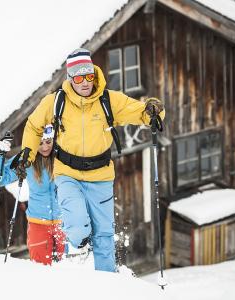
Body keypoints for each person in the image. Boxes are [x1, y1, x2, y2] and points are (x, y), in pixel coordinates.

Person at [16, 48, 165, 272]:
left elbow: (140, 112)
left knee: (104, 235)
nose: (85, 82)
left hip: (101, 175)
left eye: (88, 76)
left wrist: (154, 110)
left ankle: (106, 283)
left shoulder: (108, 100)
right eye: (78, 77)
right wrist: (28, 150)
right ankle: (78, 253)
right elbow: (33, 125)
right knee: (77, 229)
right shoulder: (56, 102)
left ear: (94, 75)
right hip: (68, 173)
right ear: (70, 78)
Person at [0, 125, 65, 265]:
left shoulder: (64, 156)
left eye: (48, 142)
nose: (45, 147)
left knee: (70, 270)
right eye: (40, 143)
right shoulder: (26, 159)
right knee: (40, 270)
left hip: (65, 223)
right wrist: (0, 154)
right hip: (38, 224)